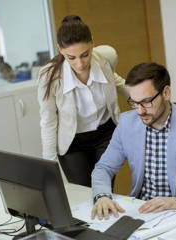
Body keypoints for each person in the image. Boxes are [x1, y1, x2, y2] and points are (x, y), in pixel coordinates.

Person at [91, 62, 176, 220]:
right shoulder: (127, 123)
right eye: (135, 103)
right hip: (142, 212)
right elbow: (104, 167)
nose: (140, 111)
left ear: (166, 93)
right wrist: (102, 196)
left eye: (147, 102)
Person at [37, 15, 128, 187]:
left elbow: (115, 80)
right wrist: (49, 165)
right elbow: (48, 121)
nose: (80, 64)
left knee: (103, 189)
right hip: (73, 142)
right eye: (71, 57)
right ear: (60, 50)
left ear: (92, 42)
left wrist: (142, 98)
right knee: (84, 193)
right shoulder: (49, 77)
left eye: (85, 55)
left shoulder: (105, 58)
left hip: (106, 134)